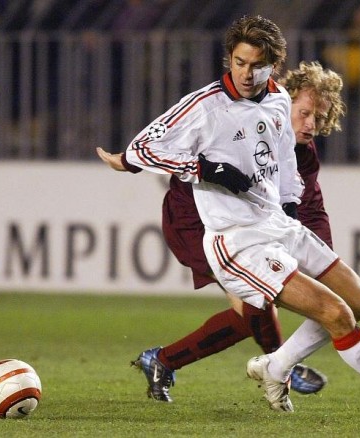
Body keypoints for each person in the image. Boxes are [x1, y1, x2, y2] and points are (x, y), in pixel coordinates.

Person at [107, 14, 360, 416]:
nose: (246, 73)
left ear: (274, 65)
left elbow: (288, 172)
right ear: (229, 58)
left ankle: (275, 366)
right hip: (235, 238)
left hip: (277, 226)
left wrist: (293, 218)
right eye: (239, 62)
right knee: (326, 314)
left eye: (257, 65)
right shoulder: (206, 106)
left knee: (359, 301)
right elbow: (142, 148)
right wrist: (203, 169)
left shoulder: (279, 99)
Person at [97, 60, 345, 402]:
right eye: (304, 113)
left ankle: (163, 361)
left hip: (245, 228)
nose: (311, 124)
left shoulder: (303, 155)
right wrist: (130, 162)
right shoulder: (240, 118)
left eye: (319, 117)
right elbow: (178, 139)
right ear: (284, 102)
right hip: (195, 221)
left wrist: (326, 265)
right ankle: (281, 367)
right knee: (256, 301)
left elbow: (311, 207)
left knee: (252, 310)